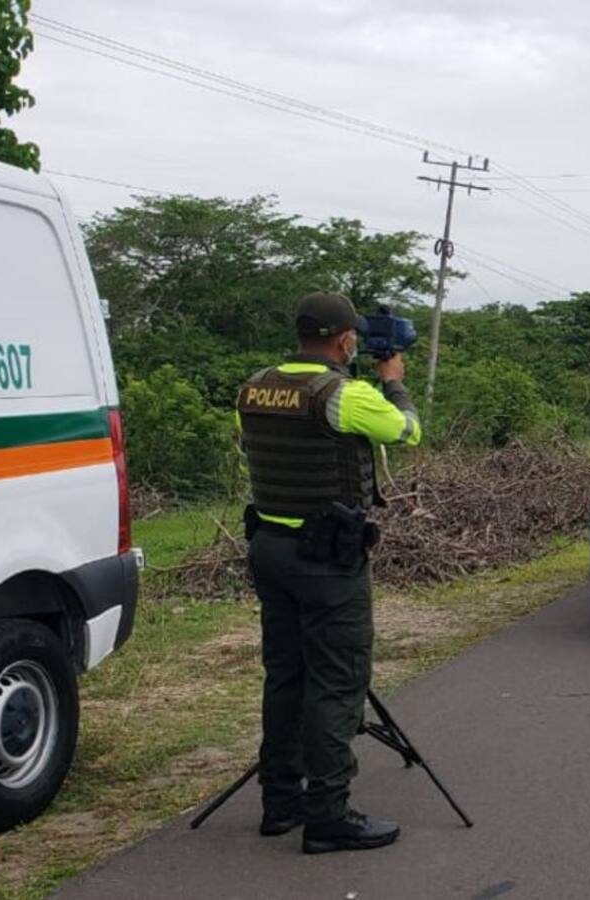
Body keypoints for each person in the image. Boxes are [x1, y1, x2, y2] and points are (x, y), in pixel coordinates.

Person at [237, 291, 421, 854]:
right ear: (344, 340)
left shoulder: (254, 387)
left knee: (285, 677)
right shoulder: (345, 395)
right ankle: (329, 815)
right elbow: (407, 431)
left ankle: (280, 803)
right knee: (337, 683)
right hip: (325, 558)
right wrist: (394, 381)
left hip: (269, 547)